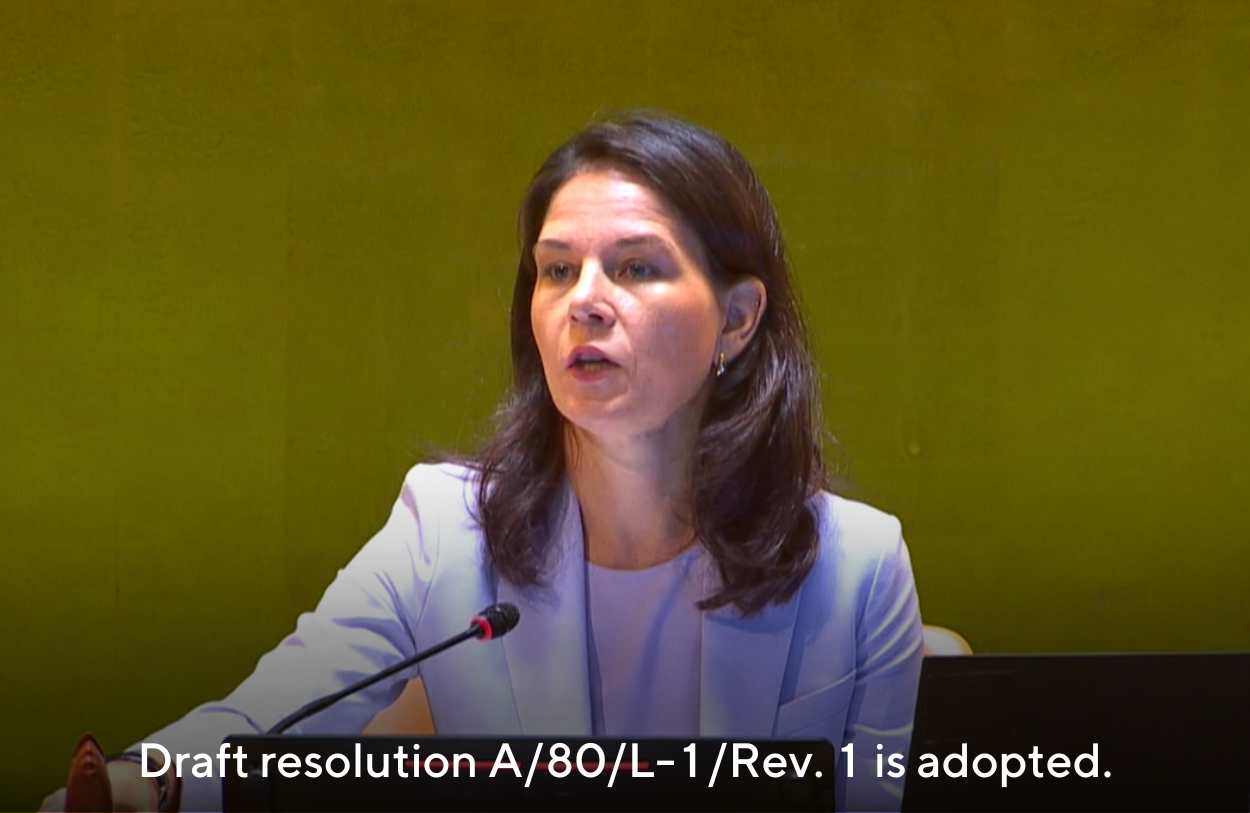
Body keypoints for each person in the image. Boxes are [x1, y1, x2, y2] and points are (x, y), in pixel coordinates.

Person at [42, 111, 923, 812]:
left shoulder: (857, 567)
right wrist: (143, 783)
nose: (585, 302)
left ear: (736, 320)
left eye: (636, 268)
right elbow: (272, 715)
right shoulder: (445, 532)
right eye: (556, 270)